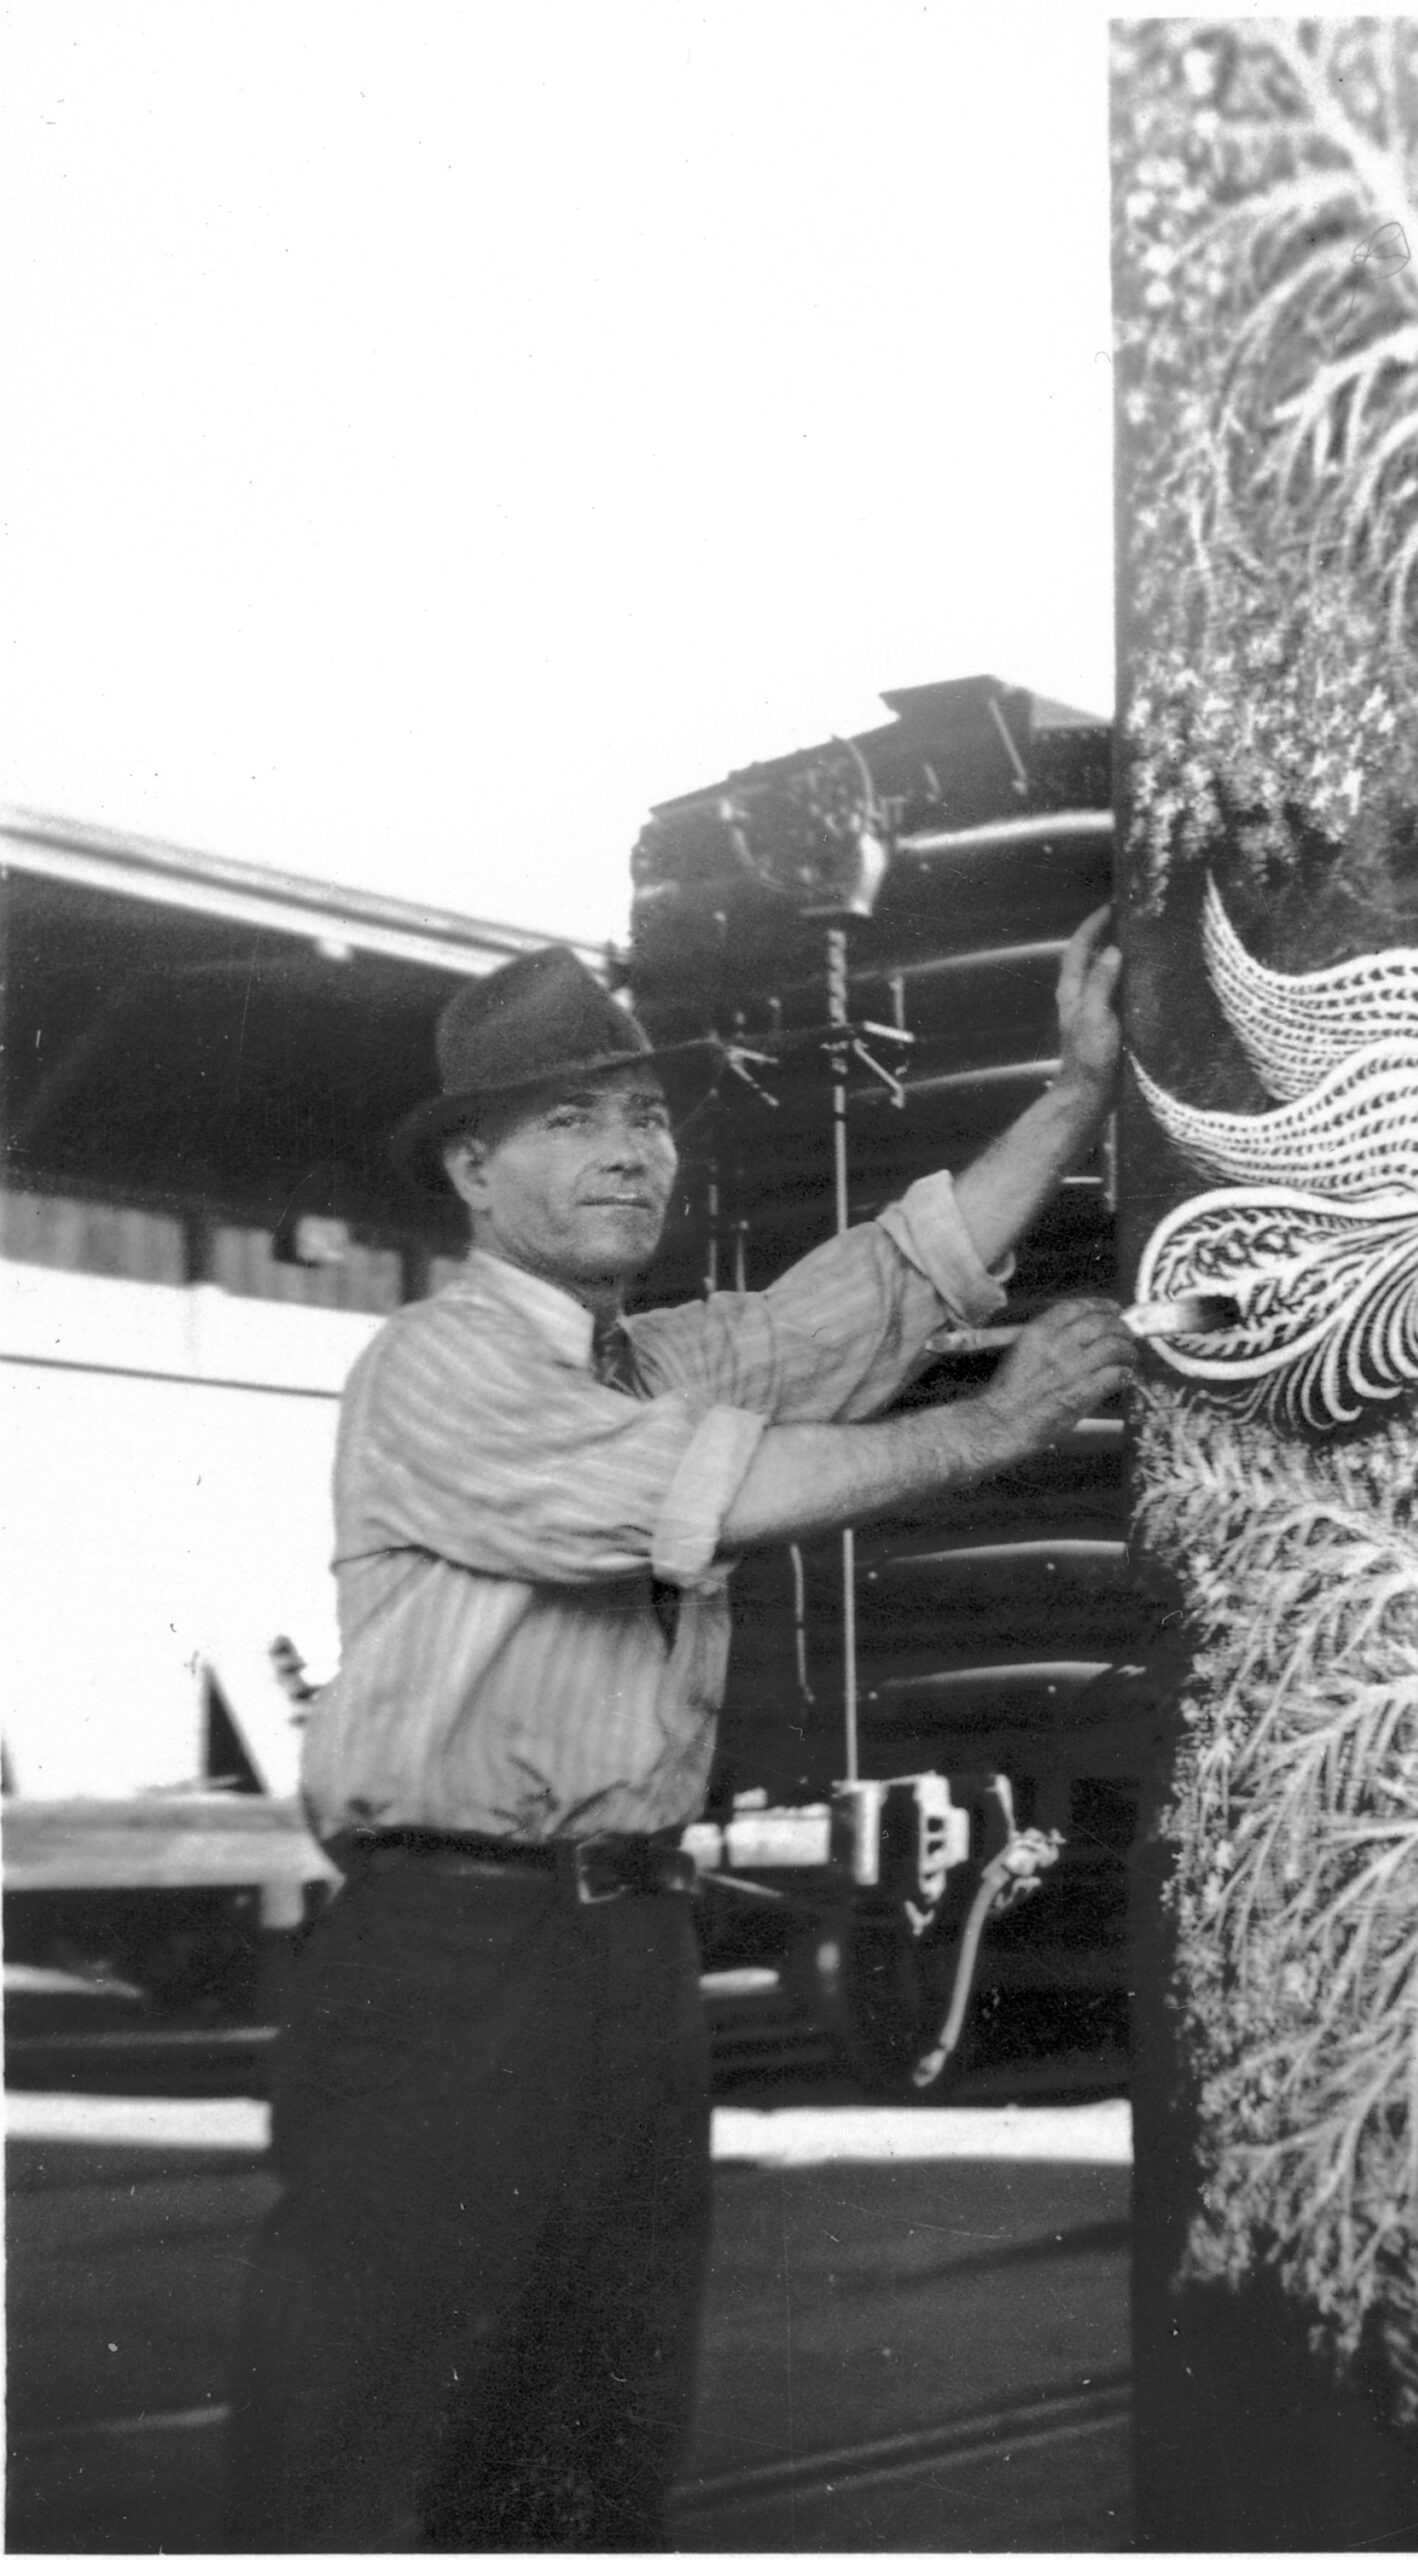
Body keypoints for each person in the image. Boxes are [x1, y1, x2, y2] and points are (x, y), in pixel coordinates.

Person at [223, 917, 1136, 2551]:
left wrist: (1077, 1091)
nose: (627, 1151)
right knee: (369, 2442)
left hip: (629, 1952)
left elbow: (896, 1281)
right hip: (449, 1953)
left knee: (592, 2442)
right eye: (569, 1121)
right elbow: (732, 1493)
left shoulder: (669, 1355)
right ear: (473, 1174)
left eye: (640, 1114)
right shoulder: (434, 1370)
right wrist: (997, 1425)